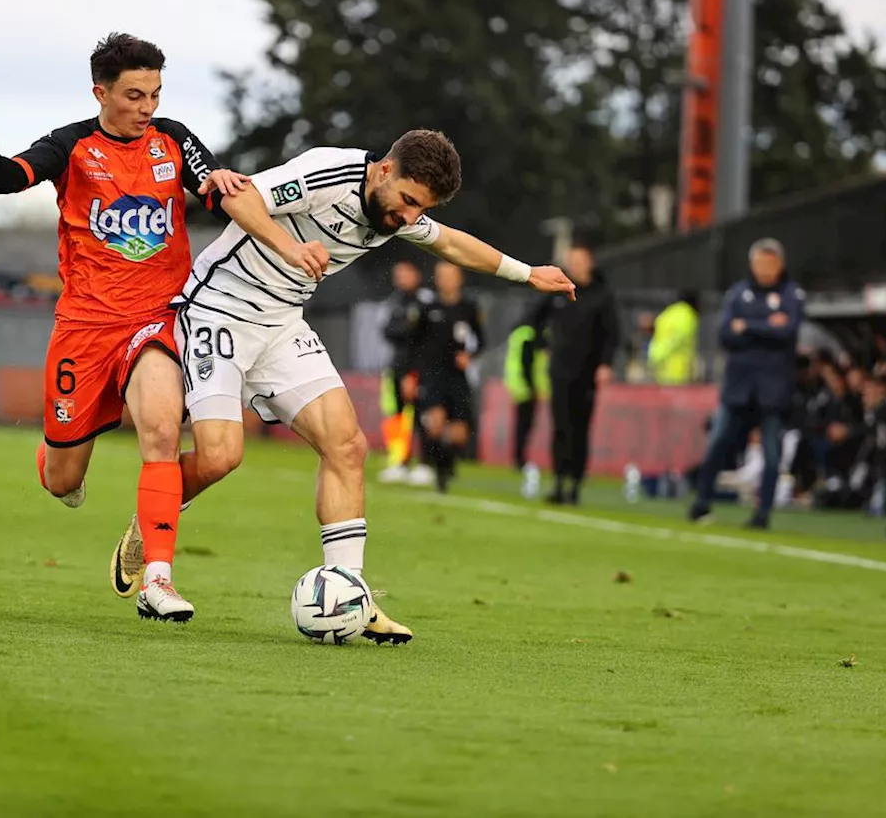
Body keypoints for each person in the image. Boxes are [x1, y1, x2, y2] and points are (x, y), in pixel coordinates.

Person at [114, 129, 575, 643]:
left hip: (281, 325)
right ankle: (155, 529)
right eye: (406, 202)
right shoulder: (329, 172)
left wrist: (527, 272)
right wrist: (290, 248)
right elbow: (238, 197)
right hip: (219, 310)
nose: (406, 218)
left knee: (347, 445)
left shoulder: (395, 211)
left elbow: (448, 242)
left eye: (417, 210)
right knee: (220, 456)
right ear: (384, 170)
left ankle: (350, 591)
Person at [0, 33, 249, 621]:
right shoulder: (70, 146)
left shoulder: (173, 138)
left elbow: (213, 188)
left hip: (157, 319)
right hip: (85, 328)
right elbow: (9, 178)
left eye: (155, 94)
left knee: (163, 434)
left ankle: (158, 579)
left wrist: (230, 189)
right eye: (135, 95)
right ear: (101, 92)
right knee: (63, 479)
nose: (147, 107)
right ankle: (57, 461)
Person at [687, 238, 804, 529]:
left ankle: (762, 512)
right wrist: (767, 326)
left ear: (780, 265)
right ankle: (702, 502)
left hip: (773, 390)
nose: (765, 269)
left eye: (770, 263)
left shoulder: (792, 294)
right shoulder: (738, 293)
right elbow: (726, 333)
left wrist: (748, 327)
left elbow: (787, 332)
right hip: (739, 387)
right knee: (718, 441)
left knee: (772, 453)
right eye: (760, 263)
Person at [526, 244, 619, 505]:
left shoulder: (602, 296)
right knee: (561, 427)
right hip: (560, 370)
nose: (576, 266)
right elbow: (532, 320)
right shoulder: (557, 292)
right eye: (572, 261)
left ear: (590, 262)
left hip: (587, 372)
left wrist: (605, 364)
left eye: (580, 260)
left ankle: (575, 483)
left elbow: (611, 334)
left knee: (580, 428)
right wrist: (542, 347)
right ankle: (558, 481)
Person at [411, 262, 484, 492]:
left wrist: (469, 355)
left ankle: (447, 465)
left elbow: (482, 339)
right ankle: (438, 472)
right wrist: (411, 375)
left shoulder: (469, 307)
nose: (446, 280)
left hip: (457, 376)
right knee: (435, 425)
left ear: (459, 278)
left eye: (450, 275)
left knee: (459, 434)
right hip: (432, 376)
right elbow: (414, 344)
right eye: (441, 275)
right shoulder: (427, 307)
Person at [377, 260, 434, 485]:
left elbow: (423, 334)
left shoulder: (425, 301)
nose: (400, 279)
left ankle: (425, 464)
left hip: (419, 367)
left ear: (416, 274)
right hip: (397, 365)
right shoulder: (395, 301)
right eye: (397, 274)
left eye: (404, 274)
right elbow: (388, 330)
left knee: (422, 416)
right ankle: (400, 461)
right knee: (398, 417)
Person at [503, 309, 550, 498]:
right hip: (525, 387)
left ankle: (518, 458)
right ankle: (519, 459)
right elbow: (527, 363)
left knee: (522, 424)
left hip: (519, 385)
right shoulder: (530, 335)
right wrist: (532, 387)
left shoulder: (520, 332)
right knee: (524, 424)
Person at [648, 290, 700, 385]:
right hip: (680, 369)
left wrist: (656, 356)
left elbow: (657, 336)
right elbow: (679, 339)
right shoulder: (687, 314)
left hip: (661, 367)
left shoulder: (667, 313)